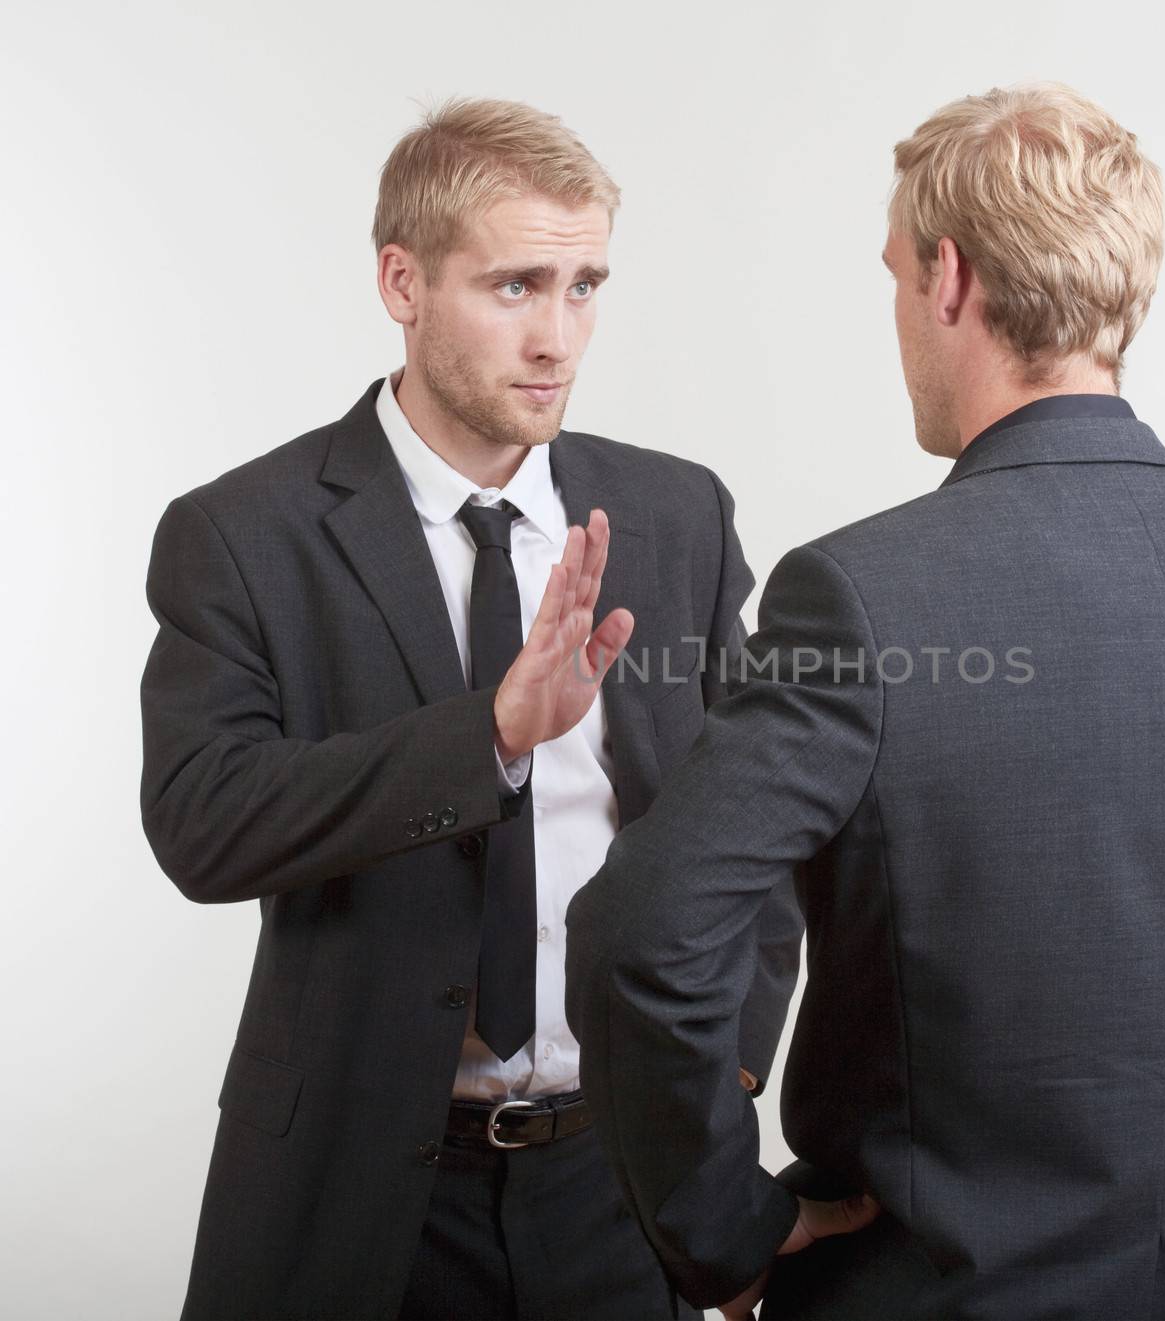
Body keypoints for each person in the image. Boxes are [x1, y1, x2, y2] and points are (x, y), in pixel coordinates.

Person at [564, 82, 1165, 1321]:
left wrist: (725, 1237)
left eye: (891, 278)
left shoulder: (857, 598)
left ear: (949, 278)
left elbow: (644, 935)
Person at [138, 96, 802, 1320]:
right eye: (515, 287)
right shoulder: (242, 534)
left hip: (621, 1179)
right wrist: (488, 735)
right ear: (402, 280)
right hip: (356, 1189)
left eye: (585, 285)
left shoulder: (676, 516)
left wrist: (726, 1069)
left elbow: (754, 830)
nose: (559, 336)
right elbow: (202, 822)